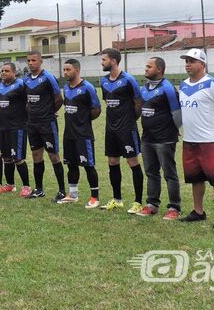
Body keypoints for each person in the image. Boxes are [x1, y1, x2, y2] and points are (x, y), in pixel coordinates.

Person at [178, 48, 214, 229]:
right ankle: (198, 211)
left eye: (192, 61)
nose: (188, 64)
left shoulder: (213, 84)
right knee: (195, 178)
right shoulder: (183, 85)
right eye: (186, 61)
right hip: (190, 140)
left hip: (210, 141)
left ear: (202, 64)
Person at [100, 48, 144, 214]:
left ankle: (138, 202)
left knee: (133, 162)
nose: (102, 63)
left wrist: (131, 120)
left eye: (104, 60)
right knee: (112, 162)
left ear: (113, 61)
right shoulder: (103, 81)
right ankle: (117, 200)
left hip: (127, 128)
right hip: (110, 128)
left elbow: (138, 101)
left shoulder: (128, 80)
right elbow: (107, 101)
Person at [136, 57, 182, 220]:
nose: (146, 69)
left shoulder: (168, 88)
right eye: (146, 66)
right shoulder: (144, 88)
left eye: (149, 66)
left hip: (165, 139)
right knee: (151, 172)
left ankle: (174, 207)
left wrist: (175, 130)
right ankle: (152, 204)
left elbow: (177, 113)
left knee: (169, 173)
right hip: (147, 138)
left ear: (160, 70)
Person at [57, 59, 102, 208]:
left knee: (88, 166)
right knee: (71, 165)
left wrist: (83, 121)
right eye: (64, 70)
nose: (65, 73)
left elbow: (96, 109)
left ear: (77, 70)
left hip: (83, 135)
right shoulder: (66, 87)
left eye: (68, 70)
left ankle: (95, 197)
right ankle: (73, 194)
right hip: (68, 134)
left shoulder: (87, 87)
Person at [24, 50, 66, 202]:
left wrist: (49, 113)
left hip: (47, 123)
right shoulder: (26, 79)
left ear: (41, 61)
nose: (30, 63)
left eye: (33, 60)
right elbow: (26, 99)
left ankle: (62, 190)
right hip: (32, 124)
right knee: (36, 156)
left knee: (53, 155)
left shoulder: (48, 77)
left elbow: (59, 99)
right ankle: (39, 189)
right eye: (28, 60)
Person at [0, 63, 31, 195]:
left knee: (18, 158)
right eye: (2, 71)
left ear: (14, 72)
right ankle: (10, 185)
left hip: (17, 127)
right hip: (2, 127)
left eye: (7, 71)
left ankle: (27, 187)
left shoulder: (21, 84)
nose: (4, 73)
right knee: (6, 158)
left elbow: (30, 100)